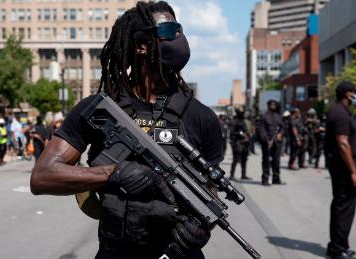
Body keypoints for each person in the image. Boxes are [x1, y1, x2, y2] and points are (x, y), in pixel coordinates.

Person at [30, 2, 219, 259]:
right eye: (169, 30)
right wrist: (113, 173)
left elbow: (210, 190)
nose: (179, 38)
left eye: (181, 30)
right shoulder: (101, 110)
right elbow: (42, 176)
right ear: (141, 46)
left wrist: (202, 226)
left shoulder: (201, 116)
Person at [325, 81, 356, 259]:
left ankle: (338, 245)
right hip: (343, 169)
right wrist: (354, 171)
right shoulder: (340, 113)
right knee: (344, 207)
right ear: (348, 94)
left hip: (341, 167)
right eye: (355, 92)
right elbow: (343, 143)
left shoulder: (340, 111)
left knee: (342, 206)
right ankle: (338, 249)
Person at [259, 100, 284, 186]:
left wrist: (280, 134)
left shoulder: (278, 116)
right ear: (268, 105)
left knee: (276, 161)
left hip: (277, 142)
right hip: (267, 142)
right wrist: (266, 140)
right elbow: (262, 130)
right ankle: (265, 179)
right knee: (266, 161)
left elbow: (282, 127)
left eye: (274, 105)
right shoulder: (264, 116)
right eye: (271, 104)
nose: (273, 106)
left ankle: (276, 179)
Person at [229, 107, 251, 181]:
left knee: (244, 159)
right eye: (242, 113)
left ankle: (243, 174)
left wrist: (247, 136)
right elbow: (232, 132)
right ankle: (232, 175)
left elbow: (246, 131)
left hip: (245, 143)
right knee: (236, 160)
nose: (243, 114)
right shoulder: (234, 121)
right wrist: (241, 134)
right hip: (237, 143)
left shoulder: (244, 121)